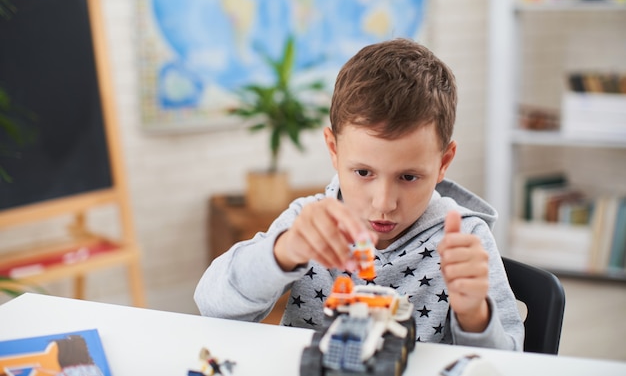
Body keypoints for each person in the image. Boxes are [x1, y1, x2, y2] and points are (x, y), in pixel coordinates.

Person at [195, 38, 524, 350]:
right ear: (333, 150)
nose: (384, 203)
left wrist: (475, 317)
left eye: (408, 176)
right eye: (363, 172)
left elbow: (508, 364)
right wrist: (282, 252)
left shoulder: (467, 238)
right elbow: (212, 305)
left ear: (444, 162)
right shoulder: (308, 224)